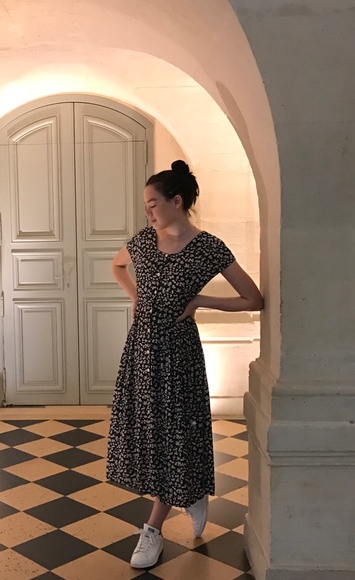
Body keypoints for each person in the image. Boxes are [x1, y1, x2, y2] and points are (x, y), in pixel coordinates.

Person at [106, 160, 264, 569]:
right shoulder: (144, 241)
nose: (148, 212)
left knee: (175, 435)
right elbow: (117, 265)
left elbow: (253, 298)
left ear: (176, 202)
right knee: (153, 434)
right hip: (142, 351)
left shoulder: (208, 248)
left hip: (179, 356)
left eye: (153, 204)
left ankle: (153, 529)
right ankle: (190, 492)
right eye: (146, 206)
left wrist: (201, 301)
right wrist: (135, 295)